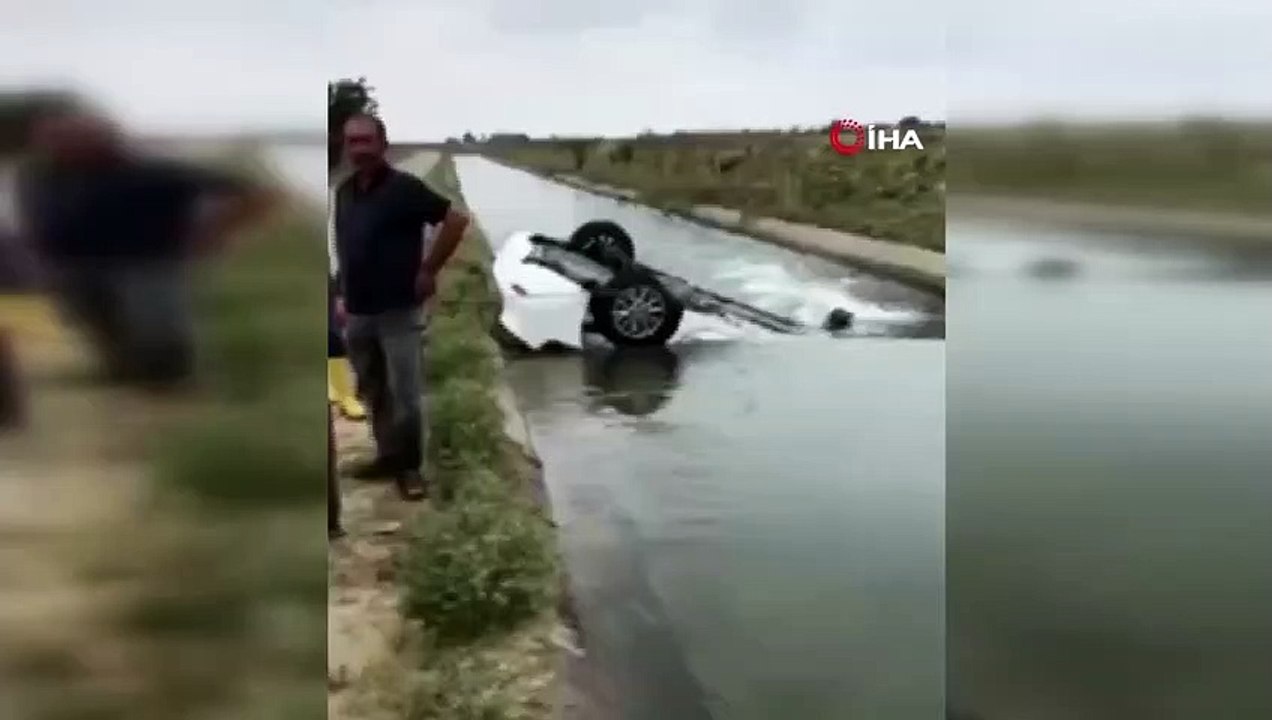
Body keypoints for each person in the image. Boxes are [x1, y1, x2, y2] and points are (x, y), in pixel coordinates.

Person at [14, 105, 276, 390]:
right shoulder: (41, 174)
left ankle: (173, 383)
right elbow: (35, 214)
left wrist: (214, 233)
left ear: (102, 139)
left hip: (145, 264)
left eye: (68, 138)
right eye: (50, 139)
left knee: (159, 336)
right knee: (103, 329)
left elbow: (255, 194)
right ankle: (127, 374)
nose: (54, 146)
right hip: (74, 266)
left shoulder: (152, 171)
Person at [331, 113, 469, 501]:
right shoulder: (344, 191)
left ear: (382, 145)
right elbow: (345, 246)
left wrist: (428, 269)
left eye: (365, 141)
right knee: (373, 391)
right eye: (352, 142)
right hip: (358, 312)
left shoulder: (405, 189)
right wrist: (340, 295)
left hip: (399, 311)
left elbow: (456, 220)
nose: (358, 149)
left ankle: (410, 468)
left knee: (405, 396)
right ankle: (387, 457)